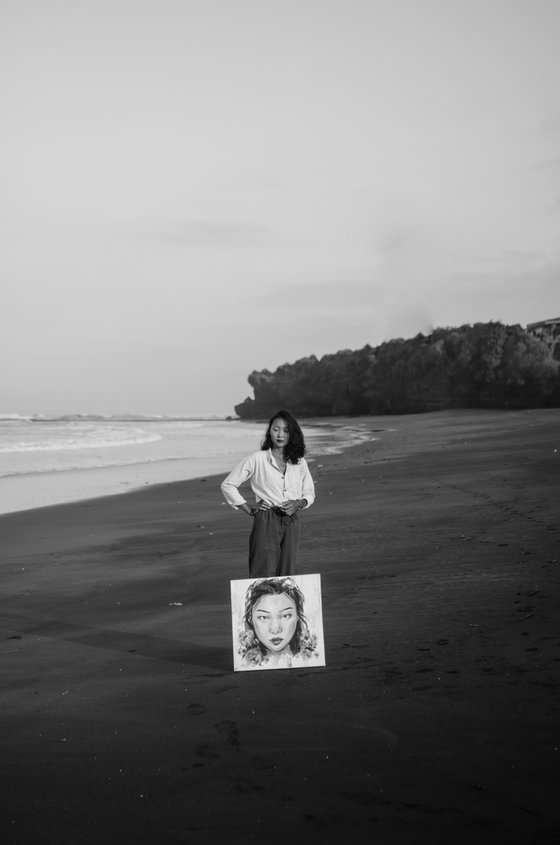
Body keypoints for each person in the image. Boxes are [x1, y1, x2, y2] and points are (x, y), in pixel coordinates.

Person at [220, 409, 315, 577]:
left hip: (292, 520)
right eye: (275, 429)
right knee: (261, 573)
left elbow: (309, 493)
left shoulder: (299, 462)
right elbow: (228, 484)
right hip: (266, 519)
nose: (280, 434)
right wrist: (248, 508)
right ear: (269, 431)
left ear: (292, 434)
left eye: (286, 430)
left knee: (288, 574)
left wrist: (298, 504)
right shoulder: (257, 459)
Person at [237, 577, 319, 669]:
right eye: (264, 617)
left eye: (286, 616)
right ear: (251, 619)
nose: (275, 629)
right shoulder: (243, 663)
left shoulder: (312, 659)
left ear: (298, 617)